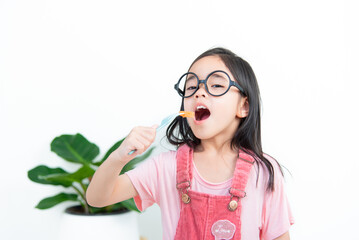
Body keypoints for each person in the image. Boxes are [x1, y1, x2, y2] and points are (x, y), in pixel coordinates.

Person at [86, 47, 294, 240]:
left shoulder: (264, 172)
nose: (199, 93)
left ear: (244, 107)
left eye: (217, 85)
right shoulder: (165, 168)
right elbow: (97, 198)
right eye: (191, 86)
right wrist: (118, 157)